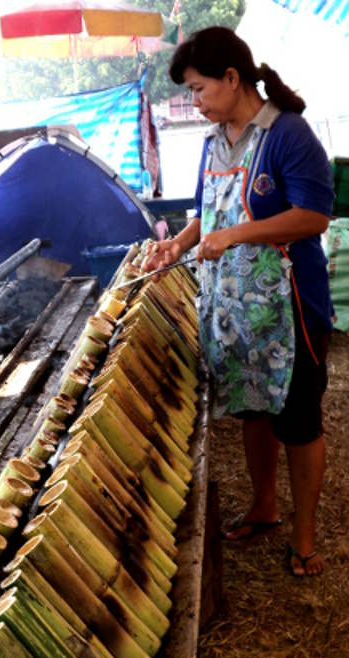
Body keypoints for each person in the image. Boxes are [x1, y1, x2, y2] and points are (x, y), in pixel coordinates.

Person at [144, 27, 334, 577]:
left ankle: (304, 538)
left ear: (232, 78)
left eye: (200, 90)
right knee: (254, 406)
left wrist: (236, 236)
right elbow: (211, 209)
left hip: (288, 306)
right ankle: (264, 507)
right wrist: (178, 244)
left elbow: (313, 217)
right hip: (235, 309)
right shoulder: (213, 141)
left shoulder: (287, 135)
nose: (195, 102)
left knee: (298, 419)